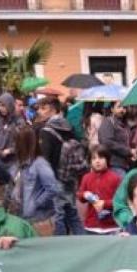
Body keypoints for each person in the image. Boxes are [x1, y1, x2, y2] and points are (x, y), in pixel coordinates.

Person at [35, 98, 85, 236]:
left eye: (42, 108)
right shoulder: (68, 126)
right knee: (72, 213)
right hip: (70, 177)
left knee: (59, 216)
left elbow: (45, 158)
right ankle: (84, 242)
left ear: (52, 109)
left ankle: (60, 246)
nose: (39, 111)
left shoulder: (46, 131)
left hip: (56, 178)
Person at [14, 124, 62, 236]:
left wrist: (36, 203)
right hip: (24, 219)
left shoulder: (40, 164)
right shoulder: (21, 164)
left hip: (40, 220)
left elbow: (53, 188)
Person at [77, 146, 122, 234]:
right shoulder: (86, 178)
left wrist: (105, 203)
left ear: (107, 159)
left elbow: (121, 202)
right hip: (91, 226)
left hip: (111, 227)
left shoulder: (115, 178)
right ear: (90, 161)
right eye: (94, 158)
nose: (97, 161)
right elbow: (80, 196)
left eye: (101, 157)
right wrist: (84, 194)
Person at [97, 104, 132, 176]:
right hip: (114, 163)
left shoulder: (124, 124)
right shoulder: (108, 122)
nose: (122, 110)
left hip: (124, 163)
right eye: (119, 107)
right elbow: (107, 142)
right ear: (112, 109)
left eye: (124, 107)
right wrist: (127, 151)